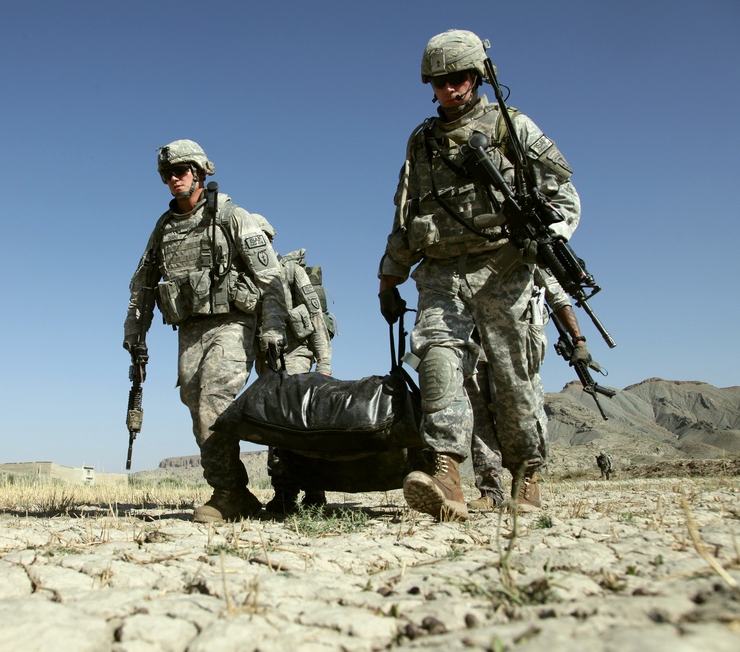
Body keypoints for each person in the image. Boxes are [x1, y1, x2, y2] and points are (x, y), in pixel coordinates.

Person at [378, 29, 581, 521]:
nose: (448, 89)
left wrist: (546, 237)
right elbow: (407, 213)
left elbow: (565, 197)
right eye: (440, 80)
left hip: (504, 266)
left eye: (458, 78)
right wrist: (390, 277)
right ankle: (446, 470)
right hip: (441, 270)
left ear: (478, 76)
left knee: (514, 375)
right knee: (437, 357)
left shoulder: (512, 127)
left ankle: (527, 473)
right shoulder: (422, 141)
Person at [123, 139, 285, 523]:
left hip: (232, 323)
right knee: (198, 408)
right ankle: (237, 493)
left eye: (180, 171)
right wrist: (135, 333)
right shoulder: (164, 228)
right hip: (189, 329)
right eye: (167, 174)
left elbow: (271, 277)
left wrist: (273, 326)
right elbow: (143, 285)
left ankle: (228, 493)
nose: (173, 179)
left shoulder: (230, 216)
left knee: (215, 397)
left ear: (198, 172)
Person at [468, 269, 602, 511]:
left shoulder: (519, 242)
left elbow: (556, 294)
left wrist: (578, 339)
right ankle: (490, 491)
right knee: (479, 421)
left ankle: (528, 481)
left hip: (516, 343)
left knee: (521, 413)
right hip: (472, 342)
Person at [247, 214, 333, 514]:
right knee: (274, 424)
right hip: (266, 361)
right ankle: (284, 491)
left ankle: (313, 490)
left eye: (263, 239)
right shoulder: (246, 276)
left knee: (295, 419)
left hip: (297, 354)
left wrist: (324, 364)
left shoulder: (292, 271)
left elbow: (316, 316)